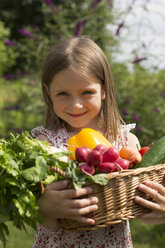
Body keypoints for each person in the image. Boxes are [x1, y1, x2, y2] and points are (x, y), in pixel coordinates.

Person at [31, 36, 165, 248]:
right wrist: (42, 208)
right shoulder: (43, 144)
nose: (76, 105)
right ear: (49, 93)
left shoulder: (126, 142)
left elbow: (139, 201)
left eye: (86, 92)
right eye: (63, 93)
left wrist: (160, 208)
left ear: (104, 90)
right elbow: (34, 213)